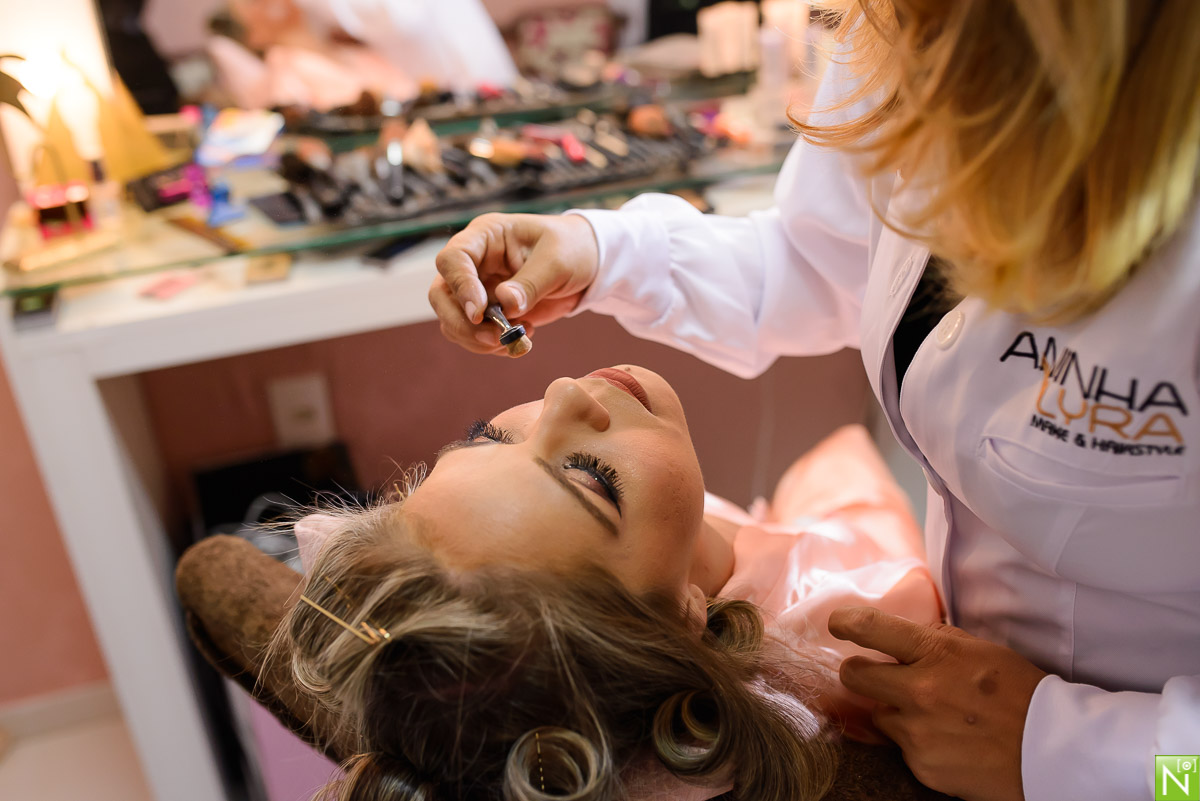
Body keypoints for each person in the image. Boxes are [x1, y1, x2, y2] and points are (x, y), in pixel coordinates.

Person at [427, 3, 1200, 800]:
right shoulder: (905, 31)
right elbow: (818, 256)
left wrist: (1083, 758)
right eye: (486, 435)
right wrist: (604, 253)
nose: (559, 390)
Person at [272, 364, 941, 800]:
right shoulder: (863, 617)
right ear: (681, 620)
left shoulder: (647, 548)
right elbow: (855, 489)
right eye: (592, 478)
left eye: (485, 438)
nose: (563, 392)